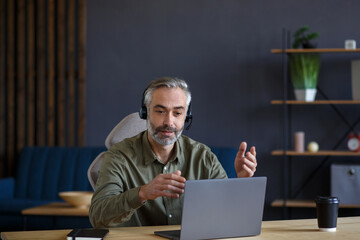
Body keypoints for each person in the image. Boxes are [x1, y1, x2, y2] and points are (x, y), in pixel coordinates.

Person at [89, 77, 257, 228]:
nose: (169, 121)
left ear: (187, 116)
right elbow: (98, 217)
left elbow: (227, 216)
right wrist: (142, 193)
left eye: (177, 113)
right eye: (160, 111)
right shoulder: (119, 156)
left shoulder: (202, 156)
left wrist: (241, 183)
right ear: (145, 113)